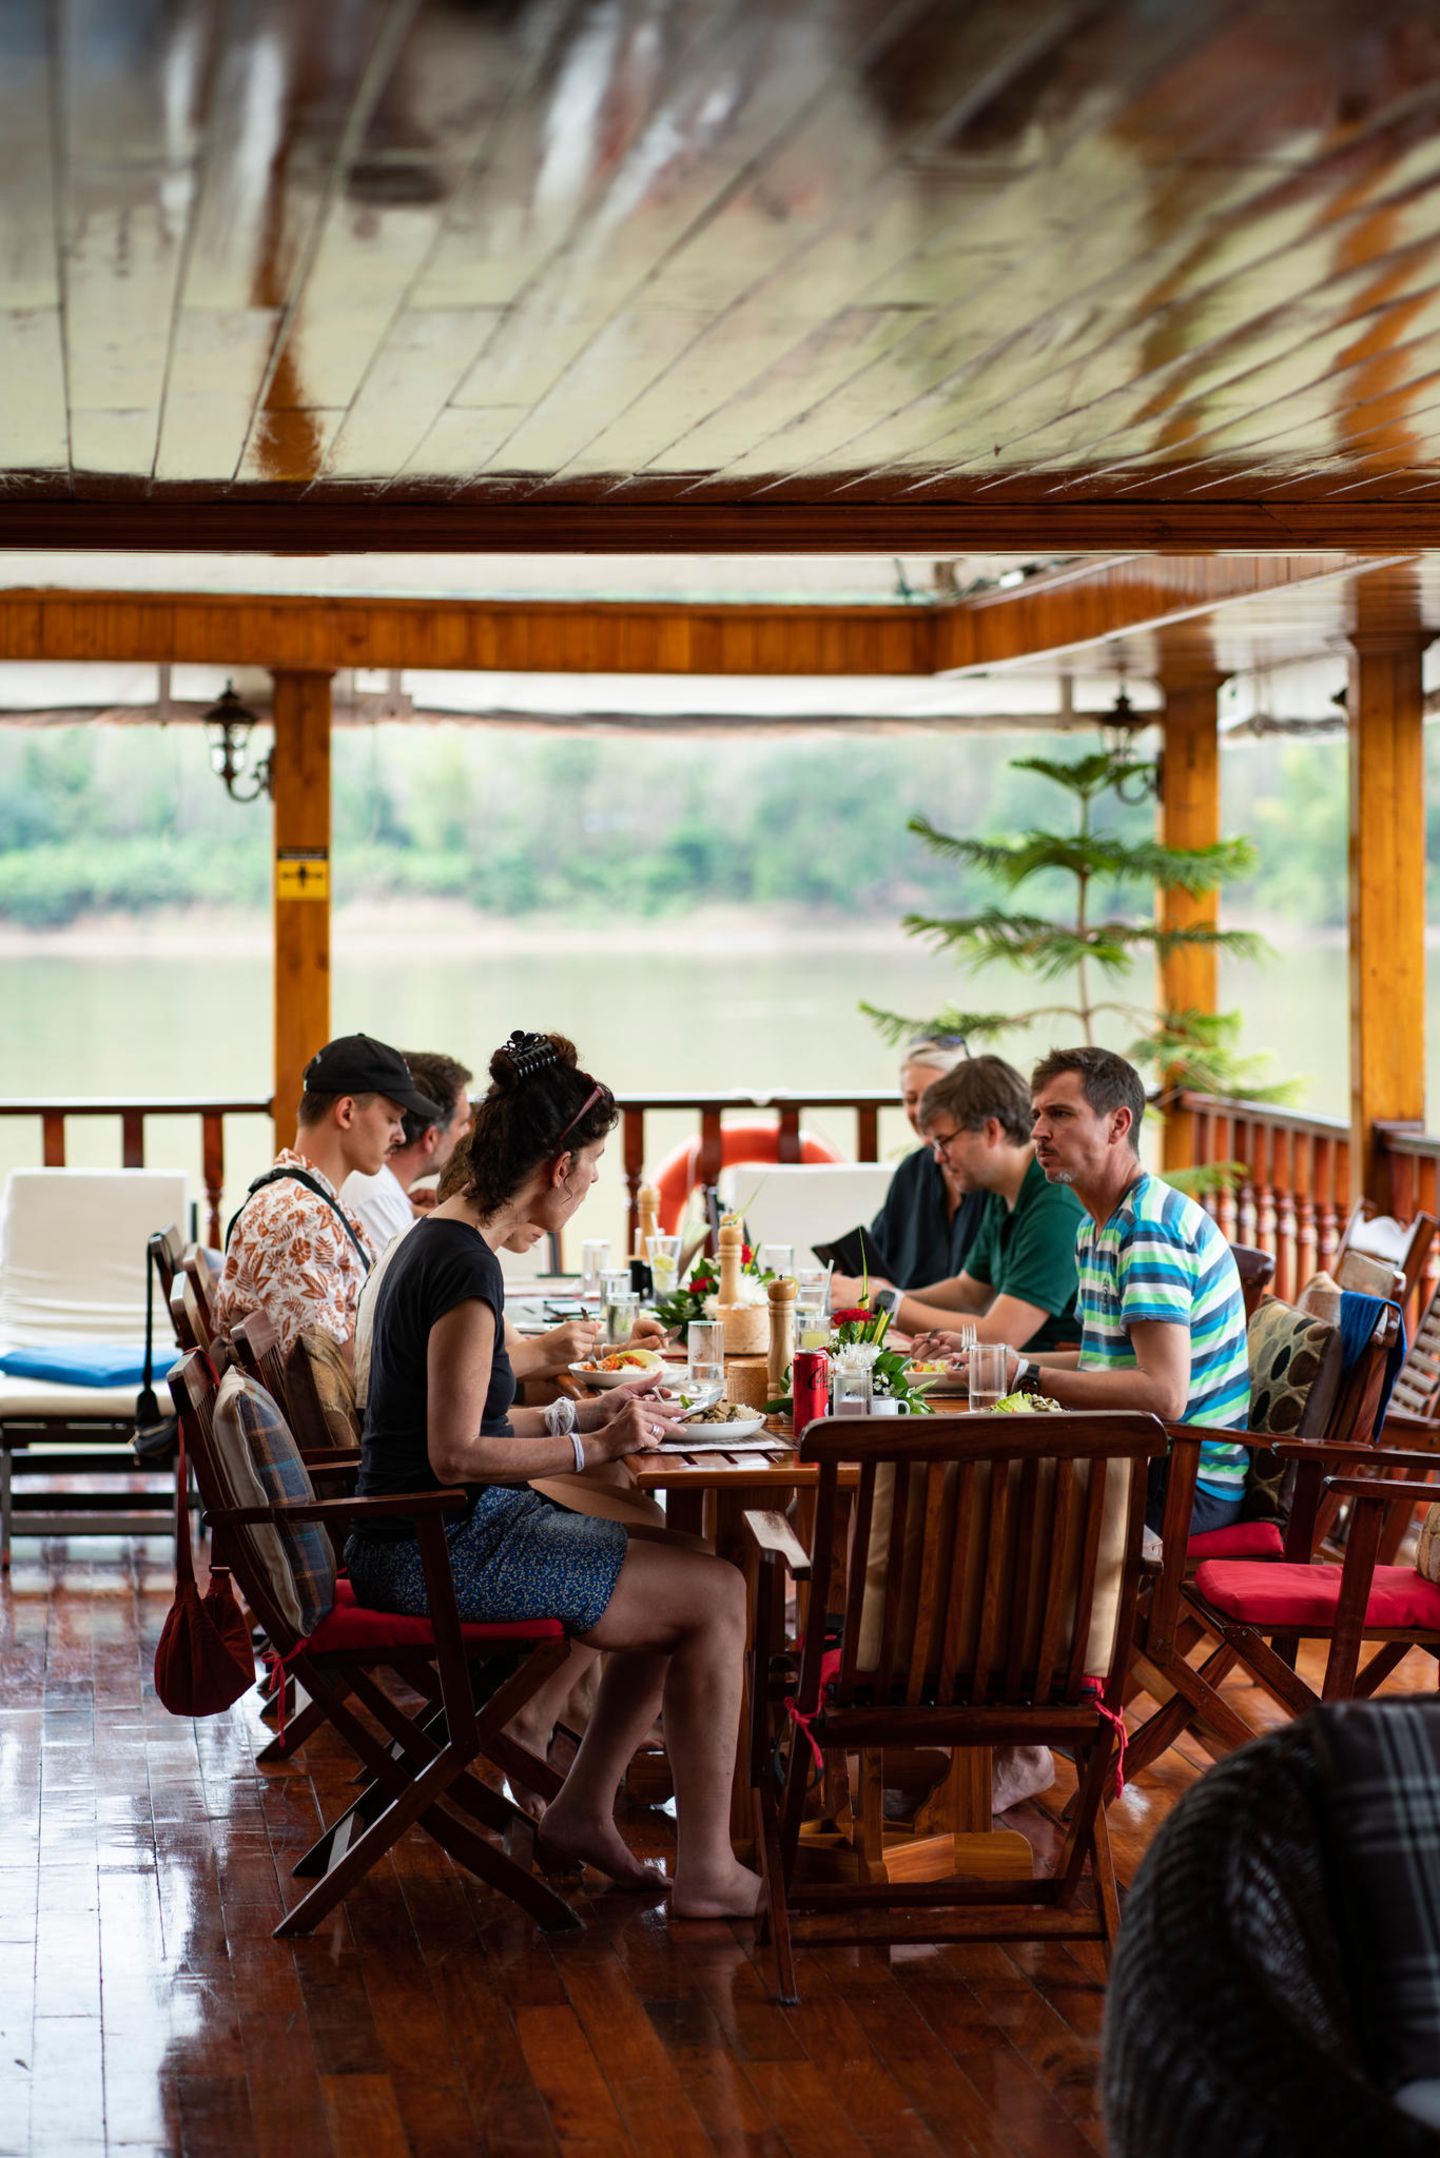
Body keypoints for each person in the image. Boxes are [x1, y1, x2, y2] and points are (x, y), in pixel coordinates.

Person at [347, 1027, 760, 1919]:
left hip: (420, 1531)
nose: (594, 1182)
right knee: (718, 1593)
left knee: (682, 1560)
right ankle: (708, 1872)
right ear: (560, 1166)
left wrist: (586, 1416)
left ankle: (581, 1809)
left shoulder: (443, 1239)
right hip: (436, 1550)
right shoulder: (464, 1269)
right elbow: (458, 1453)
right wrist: (594, 1450)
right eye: (595, 1166)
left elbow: (464, 1423)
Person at [931, 1047, 1250, 1536]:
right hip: (1132, 1453)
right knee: (947, 1477)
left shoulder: (1148, 1229)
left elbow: (1164, 1395)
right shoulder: (1094, 1227)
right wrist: (995, 1359)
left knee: (957, 1491)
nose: (1039, 1131)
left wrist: (1026, 1375)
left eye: (1060, 1114)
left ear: (1118, 1125)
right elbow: (1101, 1362)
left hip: (1181, 1480)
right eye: (1037, 1115)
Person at [213, 1033, 440, 1361]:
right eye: (392, 1119)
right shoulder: (299, 1217)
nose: (401, 1135)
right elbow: (328, 1369)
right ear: (346, 1112)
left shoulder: (309, 1201)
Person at [833, 1055, 1083, 1350]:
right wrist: (890, 1293)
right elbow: (970, 1293)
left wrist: (882, 1302)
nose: (938, 1158)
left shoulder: (1056, 1205)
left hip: (1046, 1374)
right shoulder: (1004, 1191)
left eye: (944, 1141)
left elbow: (1000, 1336)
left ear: (991, 1131)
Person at [820, 1034, 988, 1289]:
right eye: (911, 1099)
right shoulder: (911, 1171)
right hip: (897, 1313)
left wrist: (888, 1299)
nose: (920, 1111)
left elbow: (976, 1296)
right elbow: (876, 1258)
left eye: (933, 1097)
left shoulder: (991, 1176)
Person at [341, 1051, 473, 1253]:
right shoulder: (377, 1196)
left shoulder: (384, 1193)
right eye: (462, 1123)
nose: (468, 1132)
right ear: (431, 1137)